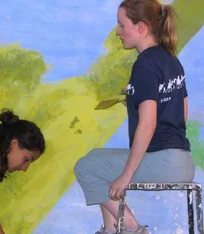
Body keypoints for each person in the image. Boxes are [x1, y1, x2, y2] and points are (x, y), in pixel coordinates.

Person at [74, 0, 194, 233]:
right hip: (183, 162)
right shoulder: (171, 60)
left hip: (163, 163)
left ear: (141, 28)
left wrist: (126, 176)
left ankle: (133, 228)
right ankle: (112, 229)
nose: (118, 32)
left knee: (85, 167)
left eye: (121, 25)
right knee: (97, 159)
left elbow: (148, 124)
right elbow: (183, 112)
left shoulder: (145, 65)